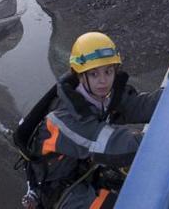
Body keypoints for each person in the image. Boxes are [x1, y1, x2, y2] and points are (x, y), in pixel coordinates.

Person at [15, 32, 161, 208]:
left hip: (86, 171)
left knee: (142, 189)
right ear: (80, 75)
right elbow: (112, 145)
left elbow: (139, 106)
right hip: (61, 192)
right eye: (93, 74)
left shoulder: (102, 95)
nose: (103, 81)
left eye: (108, 71)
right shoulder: (64, 118)